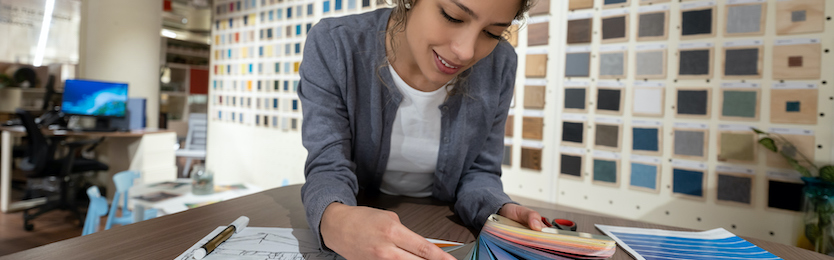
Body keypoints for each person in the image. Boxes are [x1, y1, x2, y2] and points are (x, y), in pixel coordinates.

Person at [298, 0, 541, 258]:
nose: (465, 51)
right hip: (364, 222)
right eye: (452, 16)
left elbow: (480, 172)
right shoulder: (336, 45)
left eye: (493, 33)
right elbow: (327, 166)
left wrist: (496, 208)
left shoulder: (500, 63)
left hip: (447, 228)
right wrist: (335, 220)